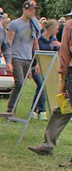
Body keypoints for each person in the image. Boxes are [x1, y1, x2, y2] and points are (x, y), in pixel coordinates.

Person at [28, 17, 72, 163]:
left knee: (64, 107)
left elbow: (64, 52)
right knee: (63, 109)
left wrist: (63, 81)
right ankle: (47, 145)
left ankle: (47, 145)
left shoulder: (70, 25)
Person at [7, 1, 44, 118]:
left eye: (35, 10)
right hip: (17, 57)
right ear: (25, 9)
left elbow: (35, 43)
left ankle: (23, 110)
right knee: (19, 82)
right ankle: (10, 110)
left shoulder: (34, 25)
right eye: (31, 9)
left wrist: (37, 62)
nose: (33, 12)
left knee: (31, 84)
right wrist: (9, 61)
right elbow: (9, 43)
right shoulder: (14, 24)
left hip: (28, 58)